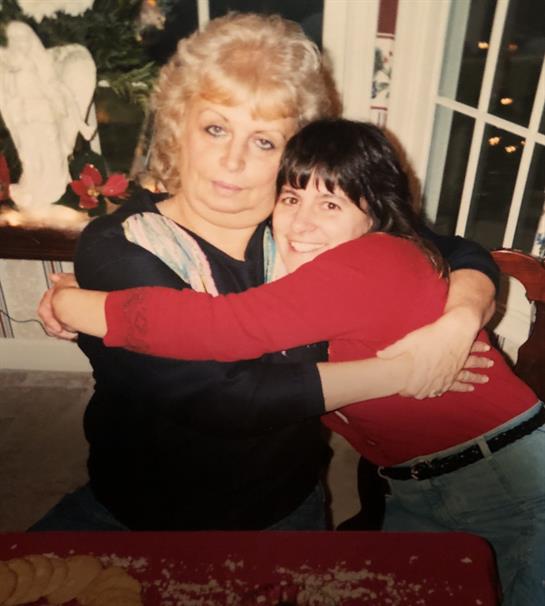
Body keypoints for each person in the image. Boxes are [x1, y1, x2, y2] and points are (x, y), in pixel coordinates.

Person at [50, 119, 545, 606]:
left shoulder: (364, 264)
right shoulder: (315, 264)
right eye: (290, 198)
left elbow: (220, 326)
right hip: (423, 485)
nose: (302, 223)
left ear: (375, 213)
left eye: (330, 204)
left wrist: (77, 305)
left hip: (509, 481)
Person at [37, 13, 498, 533]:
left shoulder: (312, 227)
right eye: (216, 128)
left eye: (264, 141)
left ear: (295, 152)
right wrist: (406, 371)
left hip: (287, 507)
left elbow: (451, 252)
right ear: (178, 126)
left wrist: (458, 323)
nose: (232, 160)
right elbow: (223, 398)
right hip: (137, 512)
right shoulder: (118, 246)